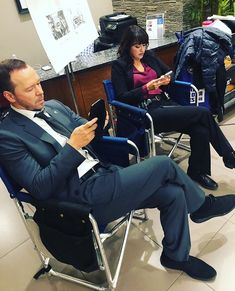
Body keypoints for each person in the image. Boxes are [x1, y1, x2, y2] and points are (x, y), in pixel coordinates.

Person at [0, 59, 235, 281]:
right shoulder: (8, 136)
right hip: (80, 199)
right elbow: (40, 187)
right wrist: (73, 146)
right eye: (30, 89)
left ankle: (175, 256)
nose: (40, 91)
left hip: (103, 175)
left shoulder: (53, 106)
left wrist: (97, 126)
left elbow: (84, 129)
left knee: (172, 194)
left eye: (39, 82)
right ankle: (202, 206)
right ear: (10, 96)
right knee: (163, 164)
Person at [111, 24, 235, 191]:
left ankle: (197, 171)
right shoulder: (119, 66)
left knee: (201, 128)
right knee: (204, 113)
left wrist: (166, 80)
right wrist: (147, 87)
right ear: (128, 46)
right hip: (144, 113)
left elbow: (169, 72)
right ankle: (229, 156)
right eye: (137, 46)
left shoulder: (149, 56)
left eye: (144, 45)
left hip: (163, 104)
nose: (142, 49)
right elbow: (122, 97)